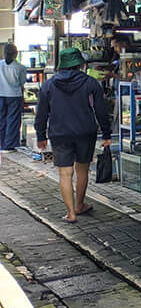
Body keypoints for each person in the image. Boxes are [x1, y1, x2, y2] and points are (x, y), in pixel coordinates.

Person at [34, 47, 111, 222]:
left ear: (61, 65)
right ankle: (80, 205)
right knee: (82, 170)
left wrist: (41, 136)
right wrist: (106, 133)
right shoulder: (91, 83)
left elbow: (42, 114)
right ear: (80, 65)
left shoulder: (48, 85)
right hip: (85, 132)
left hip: (59, 133)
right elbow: (101, 111)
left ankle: (71, 213)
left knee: (65, 173)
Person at [0, 43, 27, 151]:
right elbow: (22, 83)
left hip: (0, 95)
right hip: (14, 96)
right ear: (16, 54)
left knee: (1, 119)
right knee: (13, 120)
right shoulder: (20, 67)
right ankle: (9, 144)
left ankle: (1, 143)